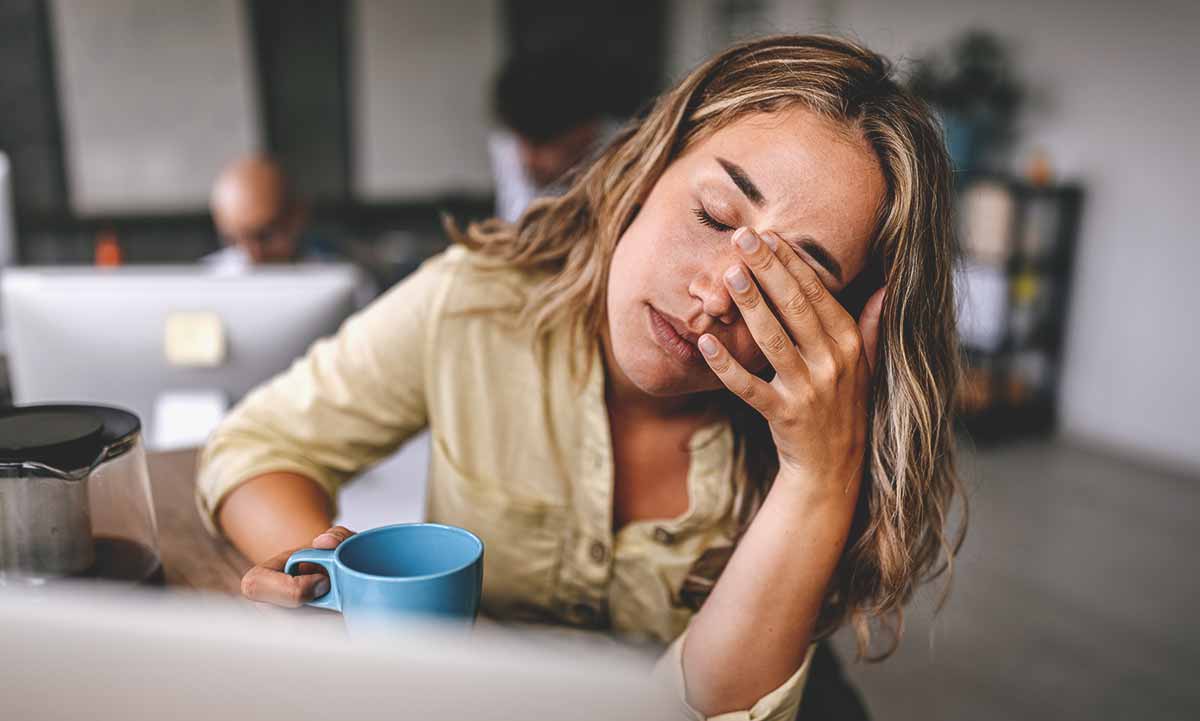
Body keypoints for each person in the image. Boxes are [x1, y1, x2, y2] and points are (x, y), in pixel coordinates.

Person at [198, 36, 965, 720]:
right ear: (647, 168)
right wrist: (342, 592)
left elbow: (703, 710)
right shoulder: (476, 302)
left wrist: (818, 475)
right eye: (714, 213)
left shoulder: (824, 434)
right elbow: (257, 445)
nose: (712, 298)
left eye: (791, 281)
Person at [489, 51, 614, 222]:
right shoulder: (508, 144)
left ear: (585, 135)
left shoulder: (623, 155)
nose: (527, 159)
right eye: (522, 142)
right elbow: (517, 224)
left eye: (539, 145)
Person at [206, 155, 326, 273]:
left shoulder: (332, 275)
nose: (251, 256)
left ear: (298, 217)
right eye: (233, 240)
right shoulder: (206, 280)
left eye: (264, 236)